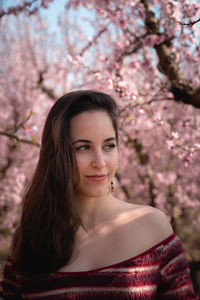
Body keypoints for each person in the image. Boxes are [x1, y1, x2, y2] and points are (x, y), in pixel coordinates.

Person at [0, 90, 198, 299]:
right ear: (57, 155)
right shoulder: (31, 237)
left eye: (109, 146)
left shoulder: (152, 226)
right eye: (83, 147)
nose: (100, 162)